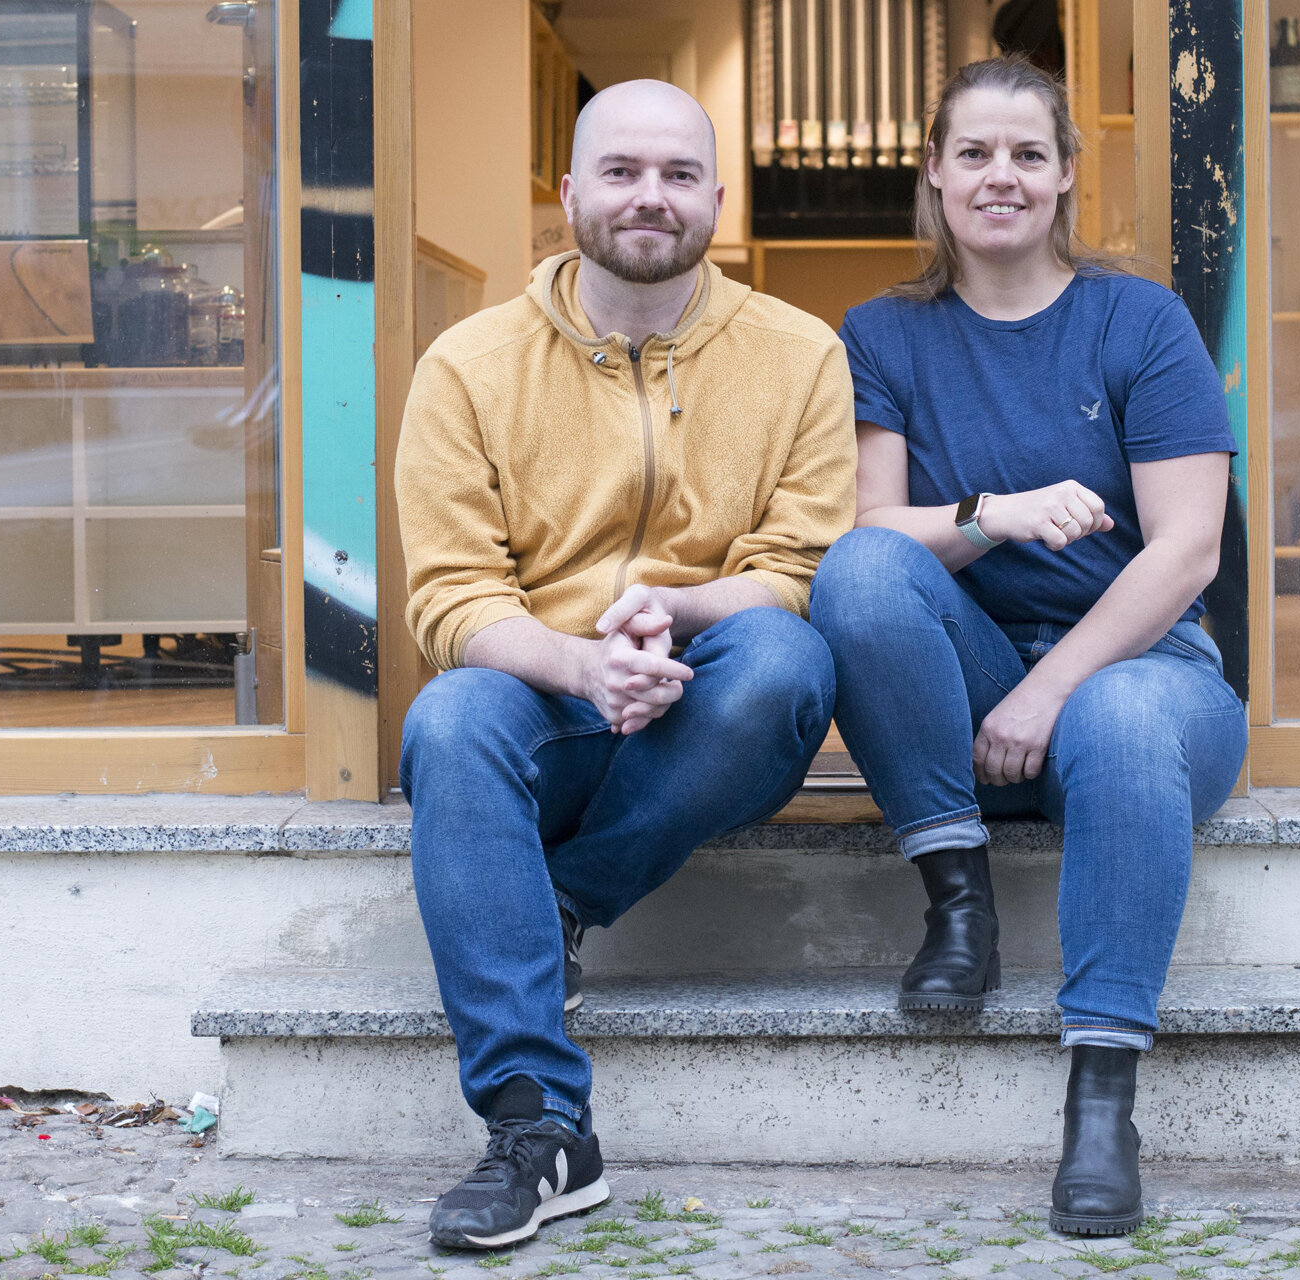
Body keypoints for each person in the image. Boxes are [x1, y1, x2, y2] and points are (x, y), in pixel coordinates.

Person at [395, 79, 855, 1249]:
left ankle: (558, 895)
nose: (650, 196)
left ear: (714, 194)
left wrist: (681, 612)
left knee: (788, 660)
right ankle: (540, 1123)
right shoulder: (467, 365)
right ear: (568, 193)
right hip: (543, 703)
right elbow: (449, 594)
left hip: (710, 698)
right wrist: (579, 663)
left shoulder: (801, 355)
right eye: (620, 171)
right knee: (450, 722)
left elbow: (801, 562)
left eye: (677, 174)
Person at [809, 56, 1247, 1236]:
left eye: (1027, 154)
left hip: (1141, 681)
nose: (1001, 175)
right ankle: (959, 897)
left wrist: (1052, 689)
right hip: (968, 693)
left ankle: (1102, 1097)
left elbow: (1187, 549)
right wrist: (991, 513)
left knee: (1122, 714)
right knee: (858, 571)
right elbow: (870, 535)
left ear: (1061, 179)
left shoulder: (1138, 320)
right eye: (975, 153)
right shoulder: (883, 334)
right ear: (937, 177)